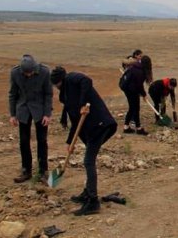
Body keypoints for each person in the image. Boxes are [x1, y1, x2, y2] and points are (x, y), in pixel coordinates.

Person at [50, 66, 117, 216]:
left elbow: (87, 80)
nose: (56, 87)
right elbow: (75, 121)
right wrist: (69, 142)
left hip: (100, 125)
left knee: (88, 161)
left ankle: (93, 201)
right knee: (88, 160)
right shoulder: (65, 96)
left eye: (56, 83)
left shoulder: (72, 78)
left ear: (61, 80)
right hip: (90, 130)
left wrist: (83, 103)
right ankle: (87, 193)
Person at [8, 55, 53, 184]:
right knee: (23, 141)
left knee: (42, 140)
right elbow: (12, 94)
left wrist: (47, 114)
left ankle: (43, 171)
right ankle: (26, 170)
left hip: (40, 110)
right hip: (23, 110)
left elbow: (48, 94)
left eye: (30, 73)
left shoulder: (44, 71)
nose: (28, 75)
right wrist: (13, 114)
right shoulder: (15, 72)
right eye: (25, 73)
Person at [121, 55, 149, 135]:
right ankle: (138, 128)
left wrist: (142, 93)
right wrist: (144, 94)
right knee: (135, 108)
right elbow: (139, 85)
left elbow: (137, 83)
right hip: (131, 90)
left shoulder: (134, 67)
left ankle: (126, 127)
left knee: (133, 108)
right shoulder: (140, 71)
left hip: (128, 88)